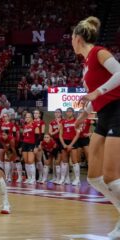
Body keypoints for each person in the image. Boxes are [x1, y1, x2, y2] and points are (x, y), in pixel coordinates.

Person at [73, 16, 120, 238]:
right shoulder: (85, 64)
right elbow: (95, 94)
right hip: (102, 115)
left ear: (78, 38)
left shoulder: (99, 52)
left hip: (118, 111)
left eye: (71, 38)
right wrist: (85, 112)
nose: (71, 42)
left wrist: (98, 92)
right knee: (93, 176)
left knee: (111, 176)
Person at [59, 107, 80, 185]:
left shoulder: (76, 121)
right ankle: (64, 178)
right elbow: (60, 135)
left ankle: (77, 179)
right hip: (64, 141)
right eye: (67, 111)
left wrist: (71, 145)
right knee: (64, 161)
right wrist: (64, 144)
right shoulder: (63, 122)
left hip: (73, 142)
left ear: (73, 112)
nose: (68, 112)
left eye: (70, 111)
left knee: (74, 161)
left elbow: (77, 134)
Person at [21, 112, 40, 184]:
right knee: (26, 161)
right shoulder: (25, 126)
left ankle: (33, 178)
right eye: (26, 117)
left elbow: (37, 137)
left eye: (28, 117)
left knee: (30, 161)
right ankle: (28, 178)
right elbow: (24, 136)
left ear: (32, 118)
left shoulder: (35, 125)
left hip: (32, 144)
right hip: (25, 144)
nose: (27, 118)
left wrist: (36, 147)